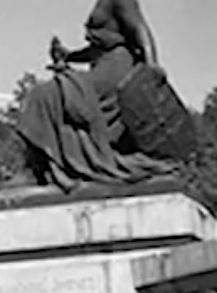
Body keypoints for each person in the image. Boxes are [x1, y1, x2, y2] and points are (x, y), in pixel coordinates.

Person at [13, 0, 179, 192]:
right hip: (101, 65)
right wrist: (68, 56)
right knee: (48, 94)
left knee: (44, 95)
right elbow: (98, 48)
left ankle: (35, 169)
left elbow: (139, 28)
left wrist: (152, 65)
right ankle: (39, 166)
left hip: (116, 70)